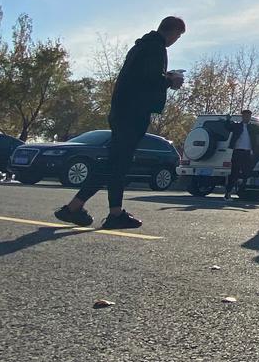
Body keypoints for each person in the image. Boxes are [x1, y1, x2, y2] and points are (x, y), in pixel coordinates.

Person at [55, 16, 186, 230]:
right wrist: (170, 80)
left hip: (121, 110)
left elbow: (139, 76)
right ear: (172, 32)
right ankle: (109, 213)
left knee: (115, 163)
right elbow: (148, 79)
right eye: (178, 36)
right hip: (132, 113)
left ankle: (76, 207)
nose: (175, 40)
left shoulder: (142, 46)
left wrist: (164, 77)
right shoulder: (156, 48)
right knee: (119, 163)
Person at [223, 109, 259, 199]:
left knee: (247, 172)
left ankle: (241, 188)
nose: (247, 118)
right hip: (237, 152)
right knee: (234, 172)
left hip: (247, 152)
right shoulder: (237, 126)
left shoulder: (252, 127)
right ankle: (228, 193)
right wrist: (227, 120)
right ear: (242, 117)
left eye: (249, 116)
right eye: (245, 116)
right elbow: (227, 127)